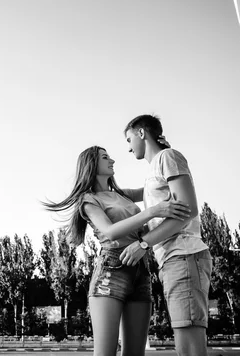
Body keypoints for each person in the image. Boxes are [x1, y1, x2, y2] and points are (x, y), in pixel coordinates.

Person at [42, 145, 191, 356]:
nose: (112, 160)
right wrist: (152, 212)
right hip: (110, 273)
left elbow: (157, 185)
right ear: (92, 164)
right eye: (105, 157)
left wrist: (160, 151)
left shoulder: (122, 194)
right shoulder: (89, 199)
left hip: (141, 269)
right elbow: (110, 231)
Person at [119, 114, 213, 356]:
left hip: (184, 254)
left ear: (141, 133)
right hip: (174, 259)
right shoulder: (156, 168)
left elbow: (188, 209)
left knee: (189, 345)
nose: (129, 148)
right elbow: (132, 193)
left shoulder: (167, 157)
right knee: (185, 341)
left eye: (129, 140)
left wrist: (143, 244)